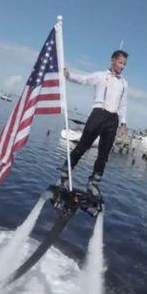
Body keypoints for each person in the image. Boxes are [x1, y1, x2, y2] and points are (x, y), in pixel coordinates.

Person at [56, 50, 128, 197]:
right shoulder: (100, 76)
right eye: (120, 63)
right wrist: (68, 76)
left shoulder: (124, 83)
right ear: (112, 60)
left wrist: (123, 123)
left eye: (124, 64)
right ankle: (63, 176)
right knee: (82, 147)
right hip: (98, 114)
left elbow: (123, 104)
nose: (122, 66)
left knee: (104, 155)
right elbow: (84, 79)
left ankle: (93, 183)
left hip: (112, 119)